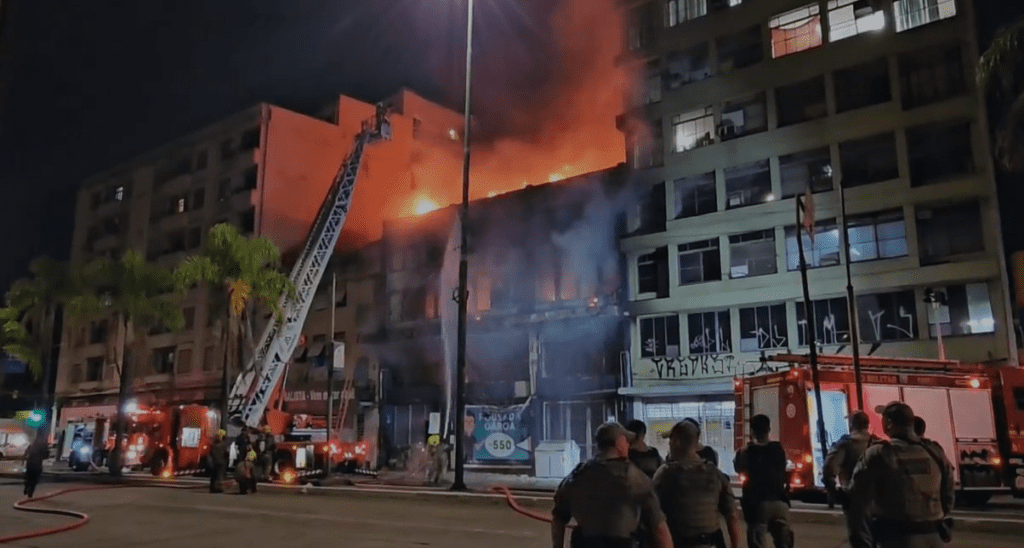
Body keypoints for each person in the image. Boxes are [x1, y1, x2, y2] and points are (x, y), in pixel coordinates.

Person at [847, 402, 954, 548]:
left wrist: (861, 543)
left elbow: (857, 505)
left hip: (896, 539)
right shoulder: (934, 451)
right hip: (935, 538)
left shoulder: (878, 453)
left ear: (889, 423)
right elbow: (948, 496)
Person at [551, 422, 672, 548]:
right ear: (619, 443)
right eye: (626, 441)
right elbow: (659, 528)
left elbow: (558, 517)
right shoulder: (635, 478)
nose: (628, 445)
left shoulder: (578, 474)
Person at [654, 421, 740, 548]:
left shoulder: (664, 474)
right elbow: (732, 516)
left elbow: (653, 515)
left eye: (670, 440)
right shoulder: (715, 473)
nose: (669, 444)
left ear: (676, 442)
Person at [733, 414, 793, 548]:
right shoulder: (778, 449)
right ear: (769, 430)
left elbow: (738, 468)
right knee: (784, 542)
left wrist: (743, 450)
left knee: (757, 541)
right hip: (780, 503)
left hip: (758, 505)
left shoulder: (748, 452)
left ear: (752, 431)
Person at [208, 429, 229, 494]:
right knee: (219, 475)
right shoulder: (222, 444)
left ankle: (212, 488)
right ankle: (218, 488)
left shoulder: (214, 443)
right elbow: (226, 454)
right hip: (221, 462)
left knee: (214, 475)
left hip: (215, 461)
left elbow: (211, 453)